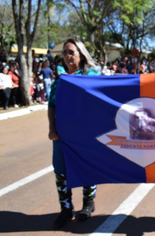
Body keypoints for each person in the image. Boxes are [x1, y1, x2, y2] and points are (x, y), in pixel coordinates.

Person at [48, 38, 100, 228]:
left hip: (86, 134)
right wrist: (52, 129)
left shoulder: (92, 75)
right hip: (62, 135)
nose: (68, 56)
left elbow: (105, 97)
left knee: (87, 167)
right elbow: (51, 105)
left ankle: (88, 203)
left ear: (81, 54)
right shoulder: (60, 80)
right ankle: (66, 208)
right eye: (65, 53)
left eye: (71, 52)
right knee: (60, 171)